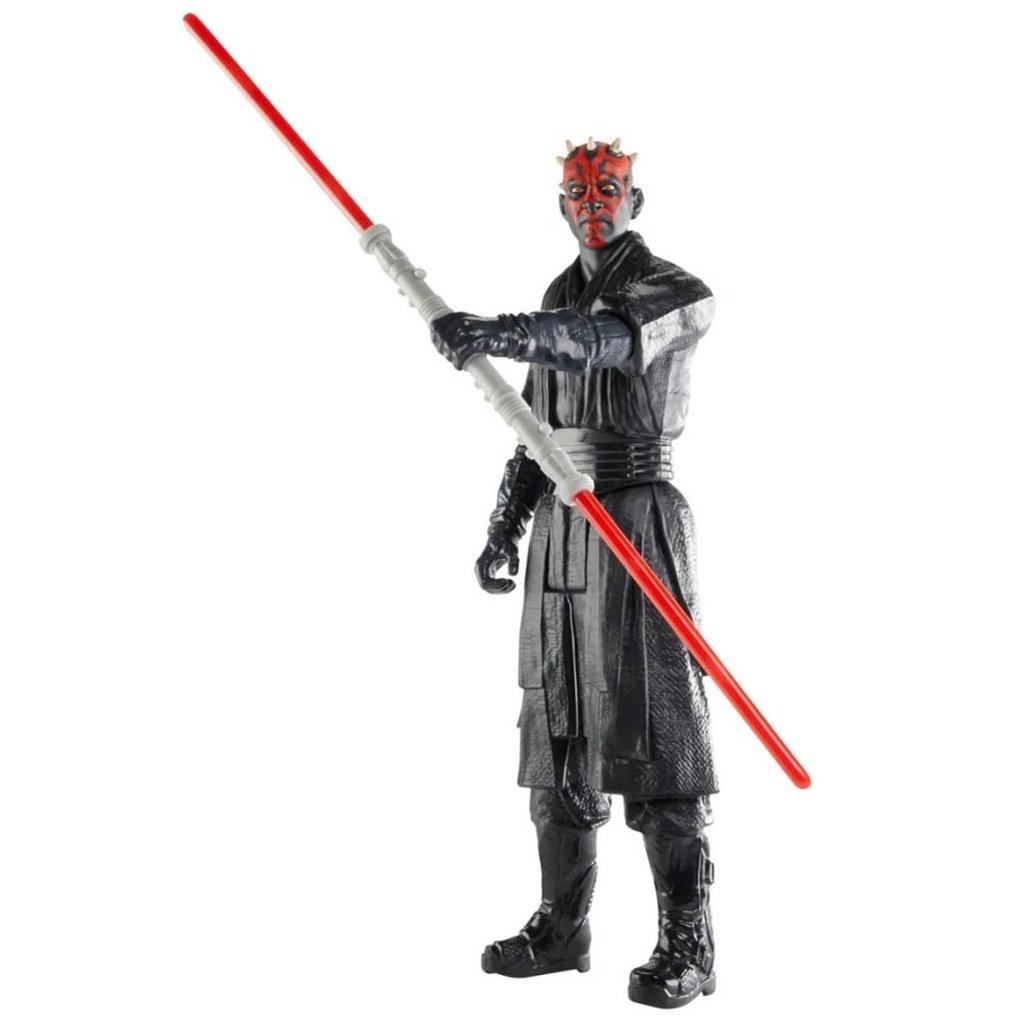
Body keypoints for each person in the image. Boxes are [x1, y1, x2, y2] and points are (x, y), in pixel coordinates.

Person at [430, 138, 717, 1010]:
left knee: (656, 730)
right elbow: (536, 428)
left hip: (636, 519)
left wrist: (497, 331)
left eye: (609, 188)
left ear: (636, 199)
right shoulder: (558, 297)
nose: (594, 201)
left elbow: (601, 345)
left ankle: (689, 941)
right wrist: (506, 525)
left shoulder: (676, 292)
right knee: (556, 731)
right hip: (563, 527)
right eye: (579, 191)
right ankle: (563, 926)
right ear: (562, 204)